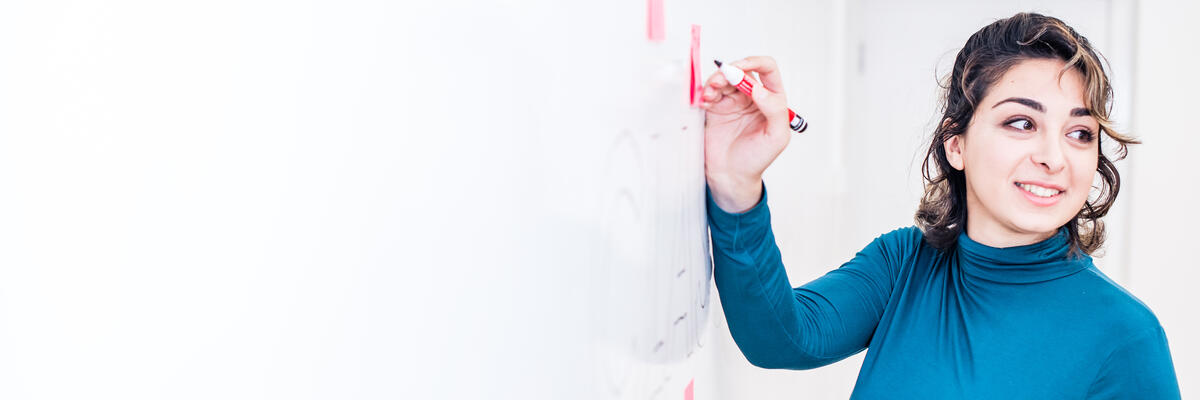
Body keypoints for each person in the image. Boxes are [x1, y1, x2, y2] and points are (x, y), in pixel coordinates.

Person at [698, 12, 1181, 399]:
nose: (1054, 158)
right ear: (957, 145)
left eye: (1079, 133)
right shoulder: (903, 264)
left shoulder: (1126, 338)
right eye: (1021, 123)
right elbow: (781, 338)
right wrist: (737, 186)